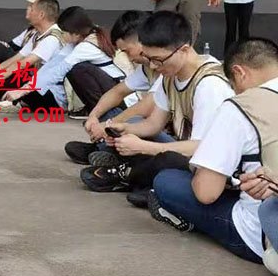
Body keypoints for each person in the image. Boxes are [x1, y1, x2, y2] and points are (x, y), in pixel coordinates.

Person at [149, 38, 278, 268]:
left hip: (259, 235)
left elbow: (206, 193)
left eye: (233, 85)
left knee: (166, 180)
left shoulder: (242, 105)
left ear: (239, 73)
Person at [80, 11, 233, 206]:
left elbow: (203, 148)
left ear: (184, 50)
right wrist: (124, 129)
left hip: (211, 167)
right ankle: (140, 179)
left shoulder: (209, 85)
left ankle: (129, 175)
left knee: (165, 164)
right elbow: (153, 123)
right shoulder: (170, 75)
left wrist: (146, 148)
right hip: (187, 152)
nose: (153, 66)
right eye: (149, 58)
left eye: (158, 60)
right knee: (136, 130)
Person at [63, 10, 169, 166]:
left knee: (133, 121)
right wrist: (94, 116)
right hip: (156, 131)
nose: (128, 57)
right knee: (112, 111)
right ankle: (109, 151)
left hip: (174, 142)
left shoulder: (168, 68)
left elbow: (146, 107)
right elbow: (117, 92)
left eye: (127, 51)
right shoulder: (148, 67)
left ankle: (110, 152)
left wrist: (108, 125)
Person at [0, 7, 123, 116]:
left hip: (118, 94)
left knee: (77, 69)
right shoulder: (79, 40)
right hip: (107, 89)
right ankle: (17, 102)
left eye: (64, 32)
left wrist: (23, 90)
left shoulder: (86, 46)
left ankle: (102, 112)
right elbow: (53, 65)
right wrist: (25, 88)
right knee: (33, 84)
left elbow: (60, 70)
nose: (61, 35)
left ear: (75, 33)